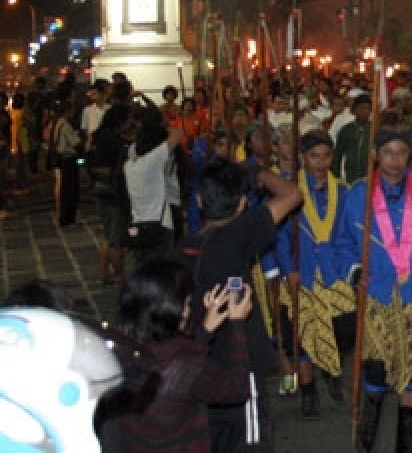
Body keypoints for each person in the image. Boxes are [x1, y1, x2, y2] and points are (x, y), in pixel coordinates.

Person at [180, 159, 301, 451]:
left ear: (199, 201)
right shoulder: (238, 235)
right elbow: (292, 195)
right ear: (243, 204)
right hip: (239, 368)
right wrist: (256, 171)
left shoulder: (181, 249)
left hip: (196, 368)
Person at [333, 128, 412, 452]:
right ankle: (367, 435)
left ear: (409, 155)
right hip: (375, 295)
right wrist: (355, 271)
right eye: (388, 152)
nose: (395, 160)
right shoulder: (357, 195)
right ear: (375, 154)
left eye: (401, 152)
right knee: (374, 375)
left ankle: (405, 440)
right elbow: (342, 242)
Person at [113, 259, 255, 452]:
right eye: (186, 304)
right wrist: (237, 323)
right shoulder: (185, 366)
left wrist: (206, 329)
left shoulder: (121, 351)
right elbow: (238, 389)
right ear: (169, 309)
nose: (188, 312)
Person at [275, 129, 357, 419]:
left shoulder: (344, 192)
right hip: (303, 273)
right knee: (301, 334)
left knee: (345, 329)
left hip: (335, 274)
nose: (320, 163)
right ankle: (308, 393)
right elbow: (281, 236)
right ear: (302, 158)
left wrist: (352, 267)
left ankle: (331, 368)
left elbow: (350, 233)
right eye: (313, 156)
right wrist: (289, 269)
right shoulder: (289, 191)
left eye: (325, 156)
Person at [124, 109, 181, 265]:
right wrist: (162, 126)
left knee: (142, 268)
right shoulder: (153, 160)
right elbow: (177, 134)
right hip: (159, 224)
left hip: (138, 226)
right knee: (163, 270)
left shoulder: (128, 166)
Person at [91, 103, 134, 286]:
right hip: (114, 192)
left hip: (100, 189)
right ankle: (118, 275)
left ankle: (102, 273)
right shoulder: (117, 142)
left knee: (107, 235)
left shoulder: (99, 136)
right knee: (116, 239)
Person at [50, 99, 82, 227]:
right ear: (68, 111)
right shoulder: (66, 126)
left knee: (65, 189)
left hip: (62, 158)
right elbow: (76, 143)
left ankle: (64, 218)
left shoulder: (58, 123)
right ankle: (68, 219)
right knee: (70, 191)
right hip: (69, 159)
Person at [333, 93, 372, 183]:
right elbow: (337, 155)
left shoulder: (374, 129)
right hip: (350, 175)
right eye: (361, 108)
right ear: (354, 109)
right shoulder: (346, 130)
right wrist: (336, 178)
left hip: (369, 175)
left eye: (368, 108)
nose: (365, 111)